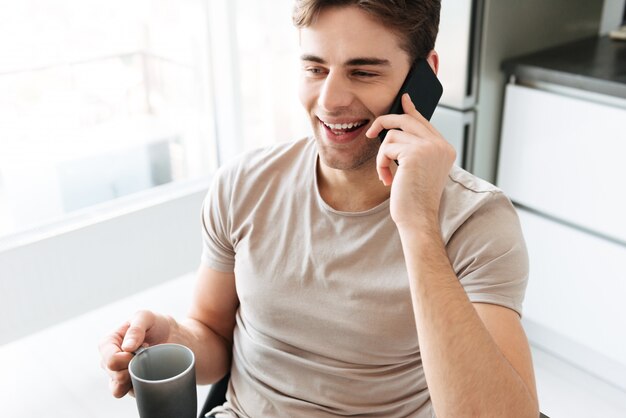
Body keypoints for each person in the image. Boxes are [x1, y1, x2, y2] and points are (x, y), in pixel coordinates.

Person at [100, 1, 540, 417]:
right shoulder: (243, 185)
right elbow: (215, 336)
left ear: (423, 76)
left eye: (363, 72)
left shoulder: (477, 222)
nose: (329, 100)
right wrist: (173, 338)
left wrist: (419, 225)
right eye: (315, 68)